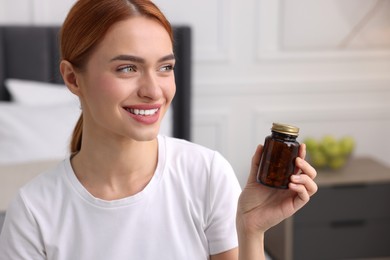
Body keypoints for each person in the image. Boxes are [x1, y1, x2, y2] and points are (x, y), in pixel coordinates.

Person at [0, 0, 317, 259]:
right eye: (127, 68)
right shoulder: (33, 212)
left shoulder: (206, 174)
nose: (153, 90)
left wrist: (251, 230)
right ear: (72, 78)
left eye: (165, 67)